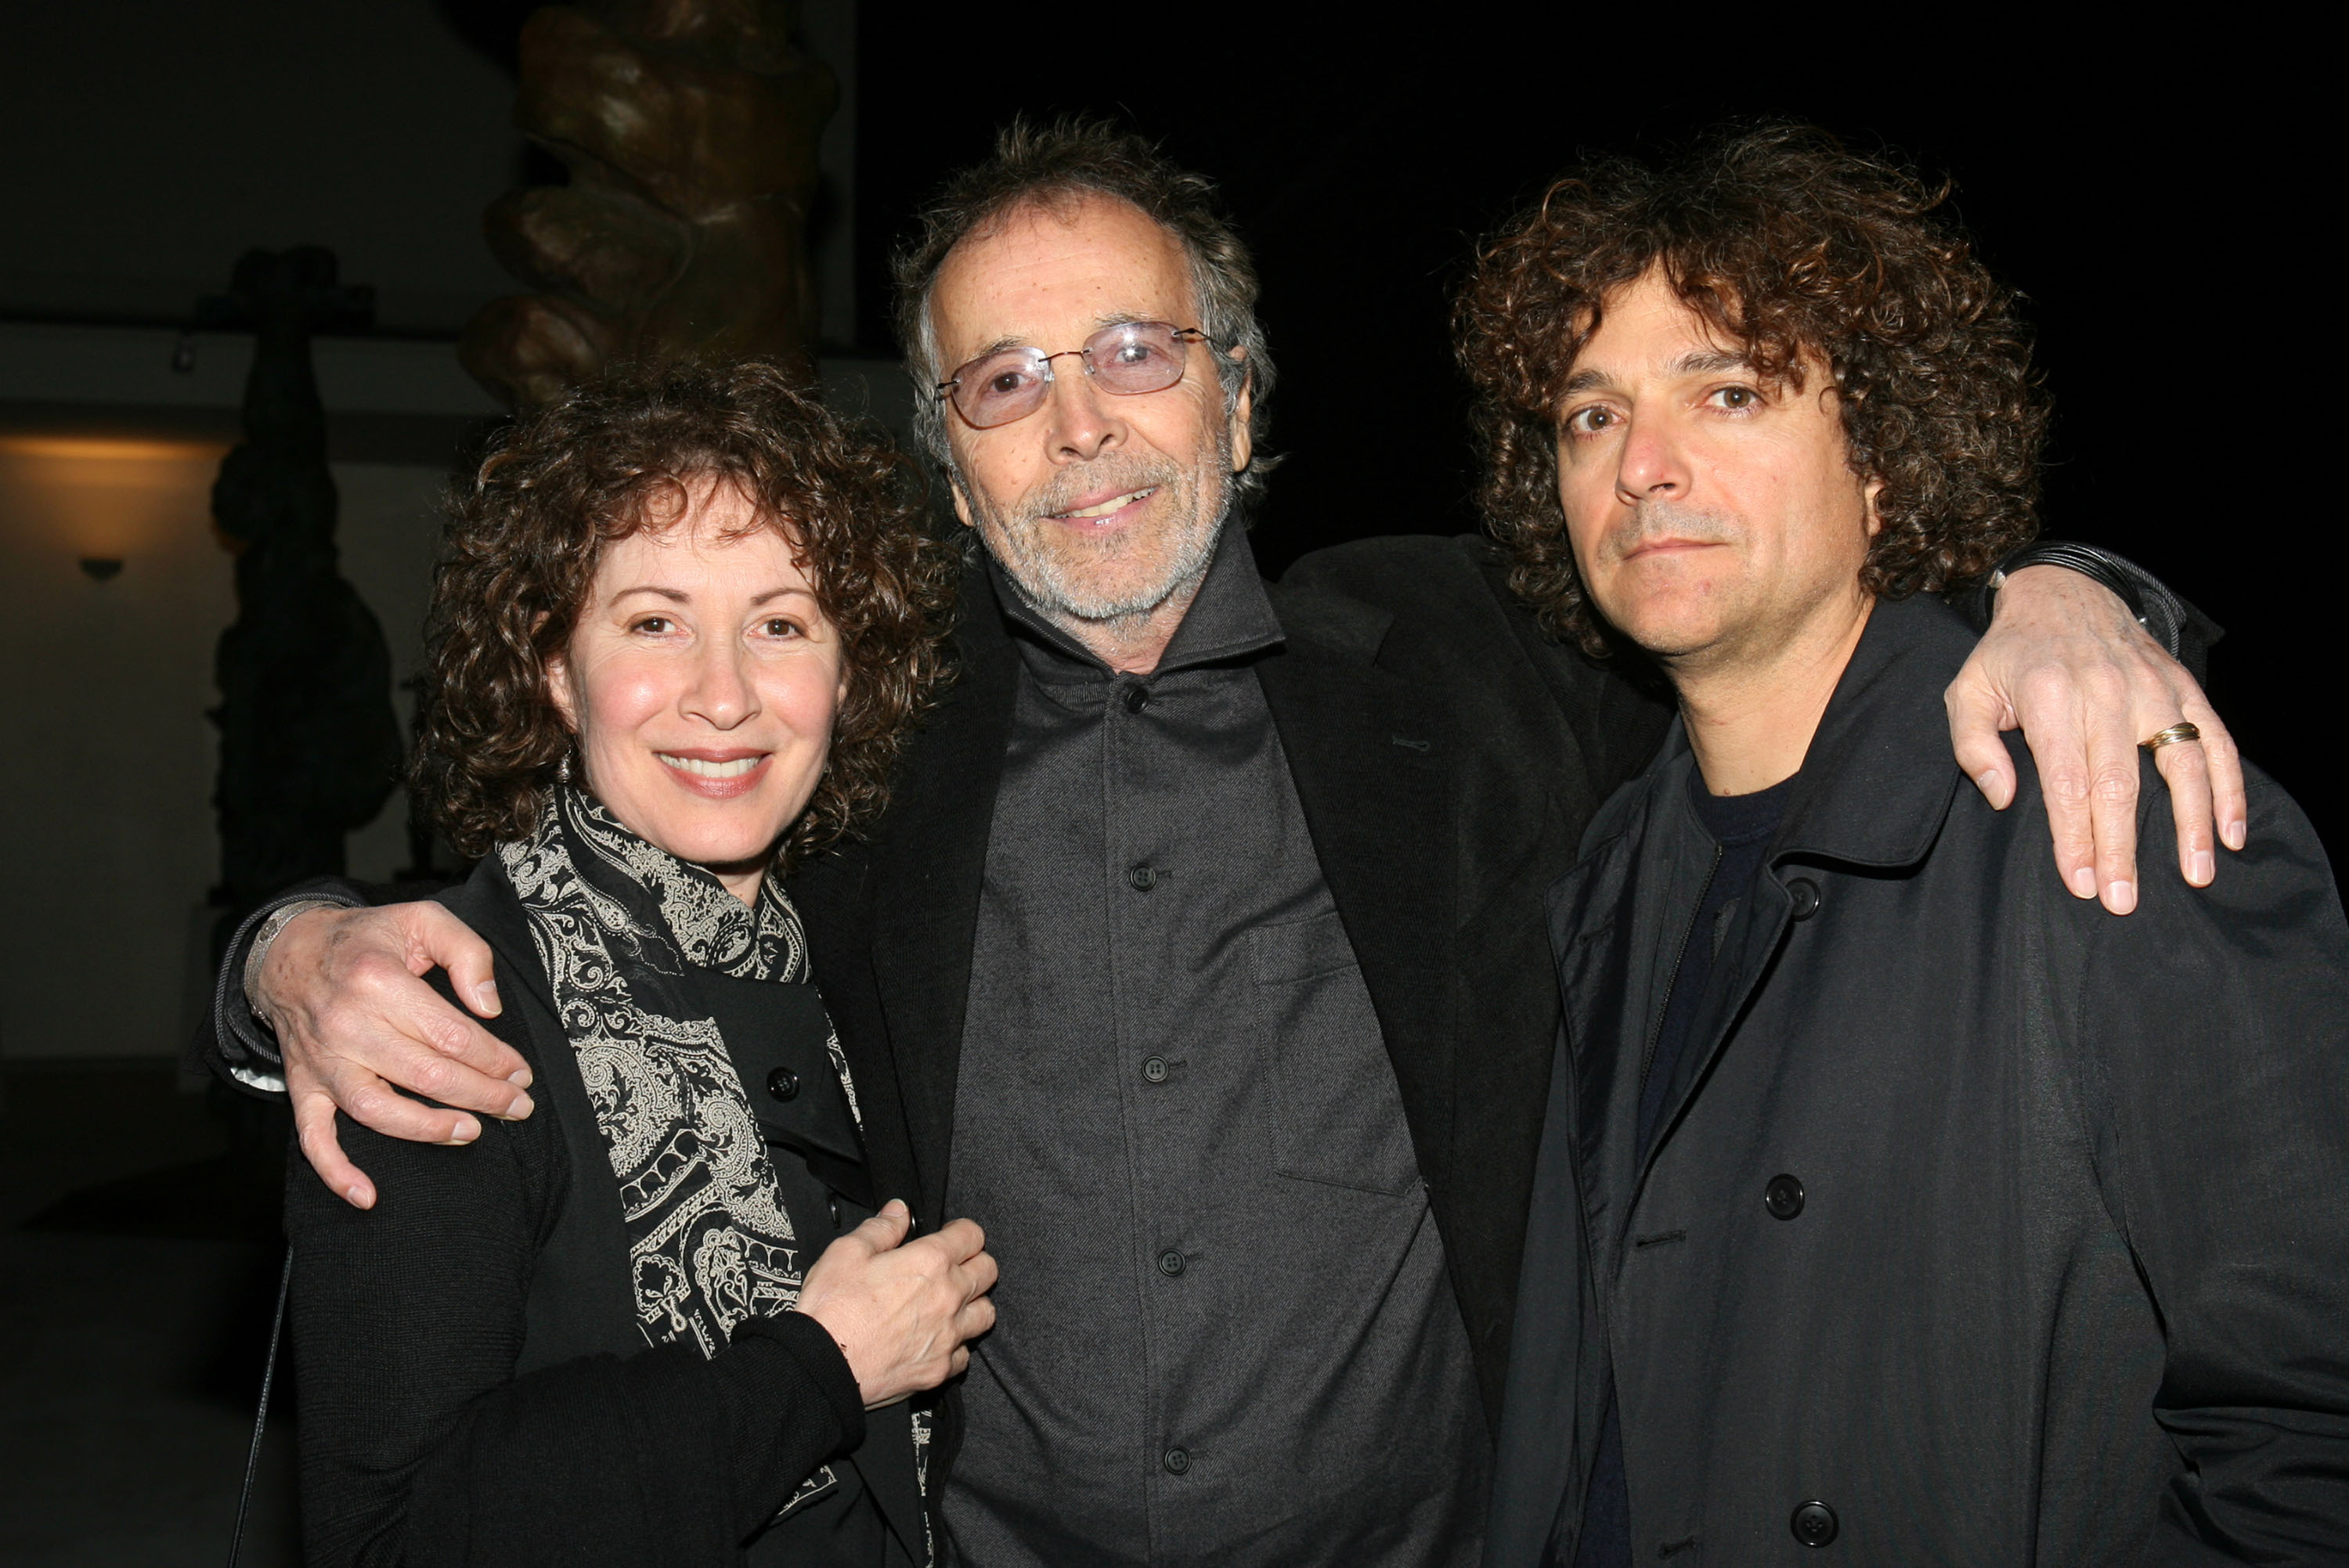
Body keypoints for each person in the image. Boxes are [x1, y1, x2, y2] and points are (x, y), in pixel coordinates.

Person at [213, 124, 2234, 1566]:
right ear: (951, 454)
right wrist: (287, 951)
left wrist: (2048, 587)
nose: (1078, 424)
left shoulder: (1487, 643)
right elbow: (512, 867)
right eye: (1006, 380)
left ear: (1244, 399)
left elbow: (1775, 605)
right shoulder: (861, 731)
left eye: (1135, 352)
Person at [1466, 124, 2349, 1565]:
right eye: (1590, 416)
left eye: (1729, 391)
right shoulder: (1609, 878)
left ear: (1882, 458)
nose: (1643, 467)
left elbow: (2309, 1432)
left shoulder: (2101, 799)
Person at [281, 361, 998, 1567]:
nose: (723, 696)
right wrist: (815, 1372)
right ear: (557, 668)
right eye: (655, 622)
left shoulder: (871, 948)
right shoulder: (432, 1020)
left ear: (848, 673)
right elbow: (389, 1541)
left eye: (780, 624)